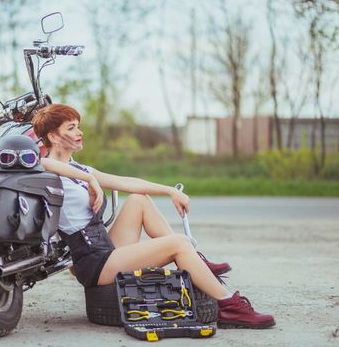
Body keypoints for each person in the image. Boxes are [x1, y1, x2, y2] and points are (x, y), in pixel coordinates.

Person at [32, 103, 275, 329]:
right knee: (179, 242)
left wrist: (170, 191)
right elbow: (42, 163)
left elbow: (128, 182)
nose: (80, 132)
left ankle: (194, 259)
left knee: (139, 200)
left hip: (106, 248)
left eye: (78, 126)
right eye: (71, 128)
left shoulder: (79, 168)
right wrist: (90, 180)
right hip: (93, 263)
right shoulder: (46, 172)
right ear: (53, 136)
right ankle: (228, 306)